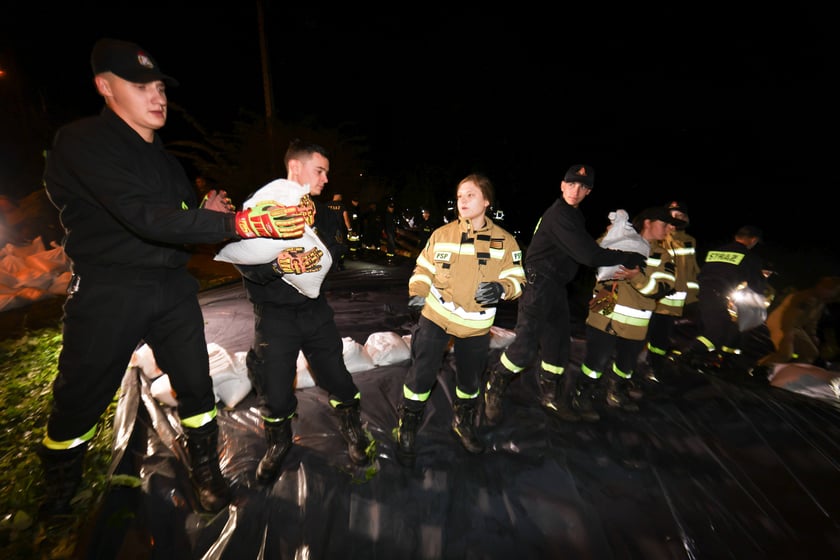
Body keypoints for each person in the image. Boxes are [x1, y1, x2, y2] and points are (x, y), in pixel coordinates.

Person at [38, 38, 309, 517]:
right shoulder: (82, 144)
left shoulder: (167, 162)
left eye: (160, 85)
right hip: (110, 289)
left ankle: (207, 471)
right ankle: (60, 484)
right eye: (141, 85)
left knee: (196, 385)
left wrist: (211, 213)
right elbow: (143, 217)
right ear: (105, 87)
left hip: (171, 290)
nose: (157, 95)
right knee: (82, 394)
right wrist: (237, 223)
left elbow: (179, 218)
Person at [234, 140, 372, 484]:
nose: (326, 179)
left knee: (337, 376)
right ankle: (278, 442)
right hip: (274, 316)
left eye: (327, 172)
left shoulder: (322, 214)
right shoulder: (261, 208)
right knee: (275, 388)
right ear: (296, 167)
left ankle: (352, 427)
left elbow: (334, 258)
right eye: (320, 170)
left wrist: (325, 244)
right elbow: (246, 264)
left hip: (315, 313)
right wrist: (280, 264)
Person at [483, 164, 647, 426]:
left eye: (582, 186)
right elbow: (589, 255)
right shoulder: (560, 215)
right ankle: (495, 383)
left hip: (556, 287)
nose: (575, 190)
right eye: (571, 184)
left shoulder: (573, 216)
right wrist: (629, 255)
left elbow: (585, 250)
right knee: (524, 348)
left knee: (558, 346)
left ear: (588, 192)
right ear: (562, 185)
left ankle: (550, 397)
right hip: (539, 287)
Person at [396, 174, 525, 467]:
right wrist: (417, 293)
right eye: (459, 196)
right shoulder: (442, 234)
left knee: (470, 380)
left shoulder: (505, 242)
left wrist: (502, 288)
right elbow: (423, 268)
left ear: (487, 201)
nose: (462, 201)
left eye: (470, 195)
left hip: (476, 326)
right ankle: (408, 424)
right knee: (422, 373)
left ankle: (463, 421)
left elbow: (517, 280)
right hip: (436, 316)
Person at [578, 206, 679, 416]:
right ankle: (583, 395)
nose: (669, 229)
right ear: (648, 222)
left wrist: (637, 278)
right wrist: (609, 234)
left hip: (635, 320)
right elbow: (592, 256)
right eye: (664, 224)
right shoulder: (621, 239)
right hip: (603, 310)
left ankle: (616, 392)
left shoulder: (664, 256)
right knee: (596, 360)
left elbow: (663, 288)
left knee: (626, 363)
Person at [676, 225, 768, 372]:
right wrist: (762, 296)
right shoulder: (750, 257)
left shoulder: (716, 251)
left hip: (699, 293)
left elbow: (712, 271)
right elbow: (757, 284)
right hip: (716, 295)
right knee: (716, 334)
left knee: (730, 328)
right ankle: (686, 355)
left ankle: (723, 359)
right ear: (753, 240)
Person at [642, 200, 701, 381]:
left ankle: (655, 366)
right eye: (672, 215)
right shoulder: (658, 238)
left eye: (681, 215)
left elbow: (692, 269)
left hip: (675, 300)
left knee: (662, 337)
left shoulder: (689, 241)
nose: (677, 219)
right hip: (654, 295)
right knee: (642, 333)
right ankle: (636, 366)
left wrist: (696, 293)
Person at [758, 275, 840, 366]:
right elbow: (789, 317)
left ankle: (786, 372)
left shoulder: (820, 303)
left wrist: (812, 336)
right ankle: (760, 368)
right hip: (781, 323)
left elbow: (812, 322)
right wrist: (788, 336)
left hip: (795, 328)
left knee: (811, 354)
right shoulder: (806, 298)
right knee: (785, 354)